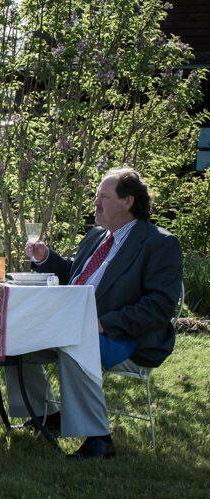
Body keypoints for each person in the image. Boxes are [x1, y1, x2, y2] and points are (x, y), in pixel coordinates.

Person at [10, 167, 183, 459]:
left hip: (126, 337)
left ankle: (99, 440)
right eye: (95, 196)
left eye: (103, 196)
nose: (96, 203)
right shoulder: (97, 236)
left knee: (74, 342)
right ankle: (47, 414)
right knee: (17, 340)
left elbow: (159, 306)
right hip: (74, 323)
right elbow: (73, 275)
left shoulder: (159, 243)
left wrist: (102, 324)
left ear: (128, 201)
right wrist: (46, 259)